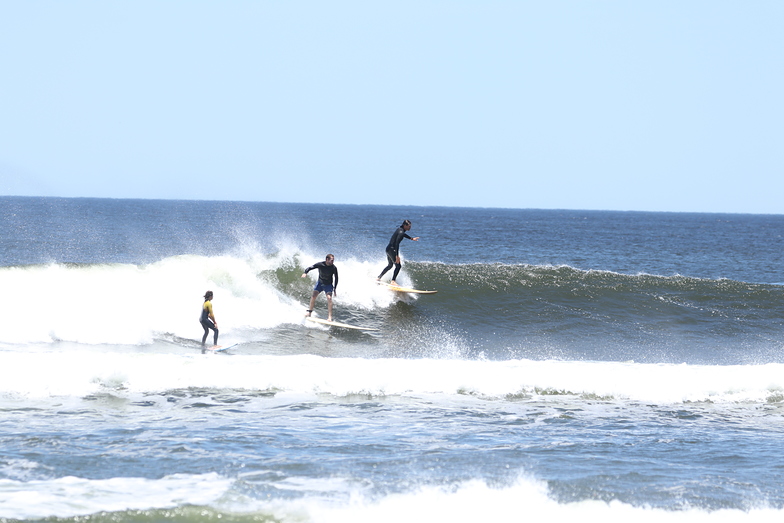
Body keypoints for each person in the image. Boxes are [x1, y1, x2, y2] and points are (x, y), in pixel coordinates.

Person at [377, 219, 419, 285]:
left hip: (388, 249)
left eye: (410, 226)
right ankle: (393, 281)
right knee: (398, 266)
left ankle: (379, 277)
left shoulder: (399, 229)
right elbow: (397, 243)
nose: (410, 227)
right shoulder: (401, 232)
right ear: (404, 225)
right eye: (409, 226)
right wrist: (397, 256)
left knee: (390, 265)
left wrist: (411, 238)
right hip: (392, 249)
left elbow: (403, 235)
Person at [302, 254, 339, 322]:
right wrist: (305, 273)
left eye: (333, 260)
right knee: (313, 296)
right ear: (327, 259)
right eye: (331, 260)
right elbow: (310, 267)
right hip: (320, 283)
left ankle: (329, 317)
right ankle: (309, 313)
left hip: (328, 285)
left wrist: (335, 288)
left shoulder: (333, 268)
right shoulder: (320, 264)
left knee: (329, 298)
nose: (333, 262)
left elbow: (336, 278)